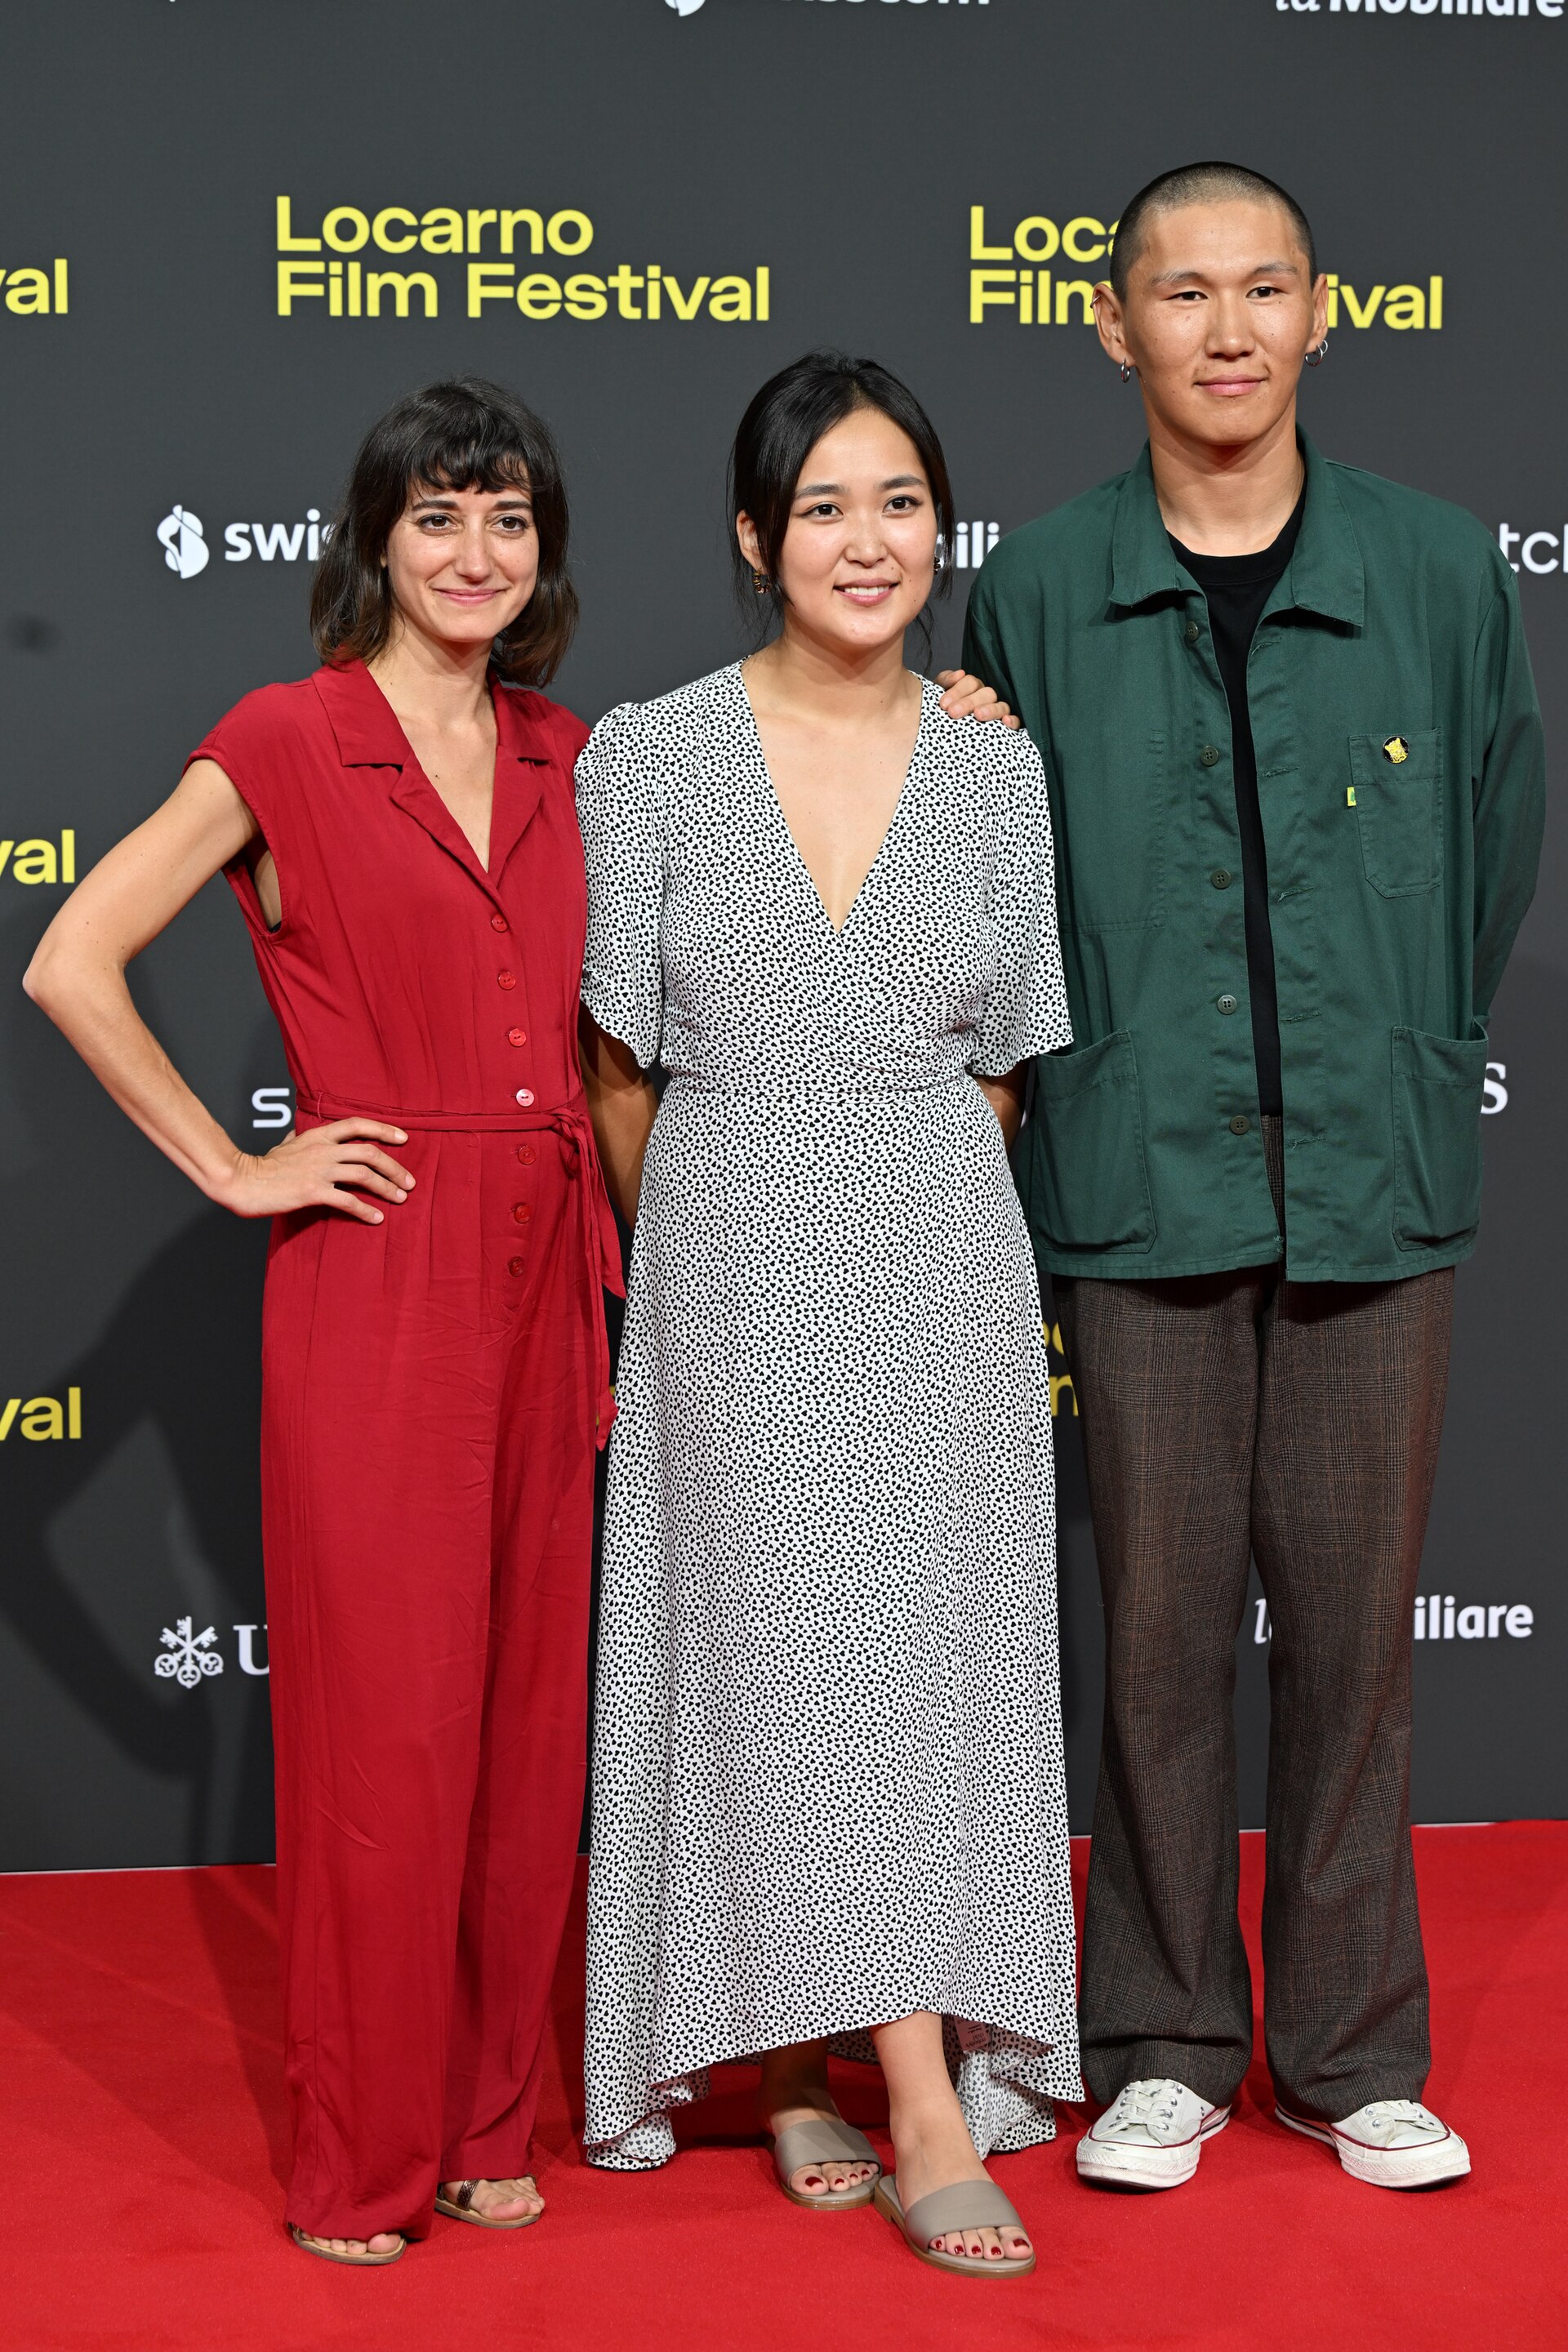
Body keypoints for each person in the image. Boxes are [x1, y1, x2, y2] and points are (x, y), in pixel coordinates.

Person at [963, 163, 1545, 2194]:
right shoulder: (1035, 587)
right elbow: (994, 900)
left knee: (1361, 1639)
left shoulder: (1441, 569)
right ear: (1110, 325)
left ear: (1324, 314)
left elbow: (1490, 848)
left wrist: (1396, 1056)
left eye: (1263, 290)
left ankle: (1353, 2049)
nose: (1224, 329)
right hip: (1137, 1182)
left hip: (1374, 1184)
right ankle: (1161, 2039)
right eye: (1181, 294)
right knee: (1158, 1629)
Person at [24, 378, 621, 2264]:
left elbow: (795, 787)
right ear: (372, 541)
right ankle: (358, 2163)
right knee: (389, 1739)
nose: (475, 553)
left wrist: (945, 713)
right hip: (383, 1268)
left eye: (508, 517)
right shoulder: (287, 739)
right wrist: (234, 1163)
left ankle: (485, 2119)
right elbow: (71, 954)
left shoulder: (572, 752)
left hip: (562, 1251)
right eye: (439, 516)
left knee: (533, 1725)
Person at [575, 351, 1082, 2277]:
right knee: (772, 1664)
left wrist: (885, 1201)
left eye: (896, 503)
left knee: (916, 1672)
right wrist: (713, 1254)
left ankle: (869, 2065)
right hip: (724, 1245)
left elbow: (1008, 1068)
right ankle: (866, 2073)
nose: (866, 543)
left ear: (938, 526)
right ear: (752, 539)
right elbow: (621, 1063)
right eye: (822, 509)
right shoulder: (654, 755)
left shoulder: (993, 758)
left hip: (937, 1255)